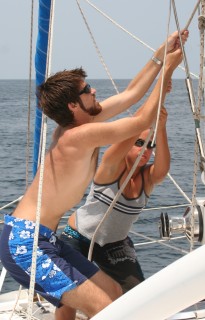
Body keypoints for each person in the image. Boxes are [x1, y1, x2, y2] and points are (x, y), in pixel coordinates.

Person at [0, 30, 188, 320]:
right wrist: (169, 72)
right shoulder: (76, 137)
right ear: (73, 106)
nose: (94, 91)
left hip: (44, 239)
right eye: (86, 90)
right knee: (106, 310)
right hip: (26, 244)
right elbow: (141, 120)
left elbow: (131, 95)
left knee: (113, 293)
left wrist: (161, 54)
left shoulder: (81, 125)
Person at [60, 89, 171, 295]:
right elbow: (135, 124)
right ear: (129, 142)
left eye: (150, 146)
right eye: (139, 143)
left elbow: (163, 169)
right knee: (70, 293)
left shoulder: (147, 178)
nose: (145, 150)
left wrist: (161, 127)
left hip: (115, 244)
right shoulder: (110, 168)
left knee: (136, 294)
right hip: (78, 237)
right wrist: (158, 96)